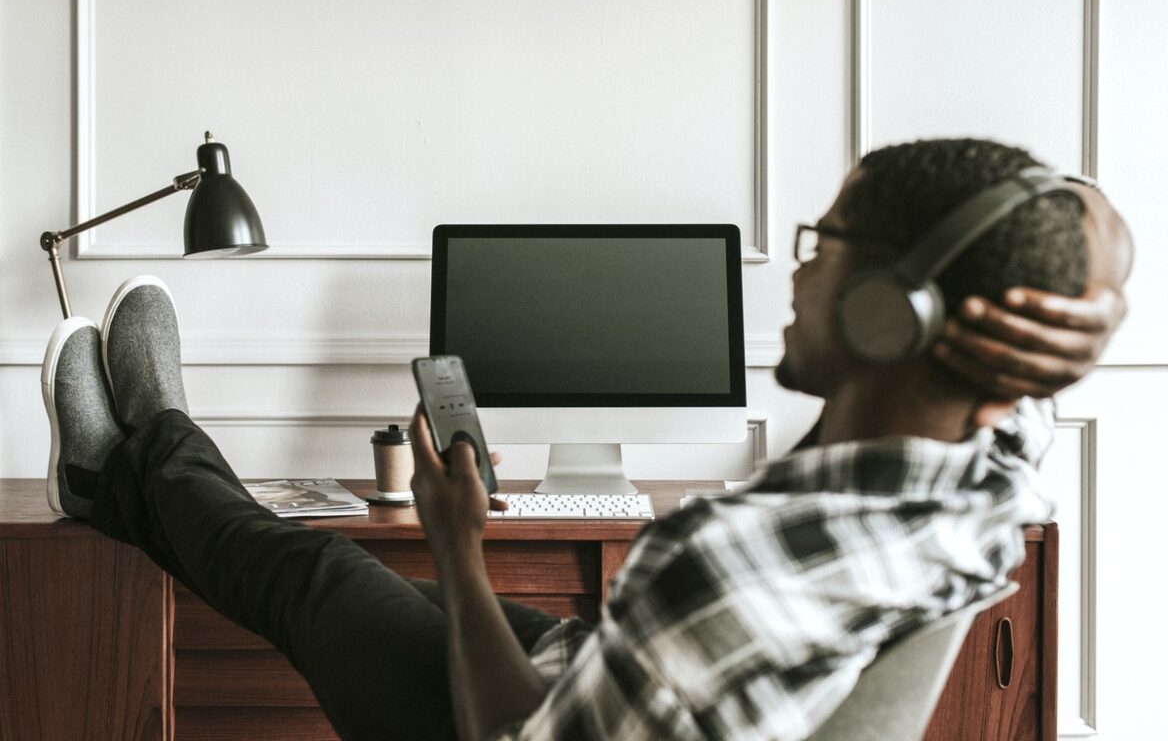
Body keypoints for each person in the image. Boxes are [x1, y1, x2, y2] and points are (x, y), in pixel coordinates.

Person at [40, 138, 1131, 741]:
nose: (795, 271)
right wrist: (1096, 293)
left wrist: (456, 540)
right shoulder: (985, 475)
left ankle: (141, 452)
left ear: (893, 310)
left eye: (822, 243)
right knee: (317, 564)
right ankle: (121, 474)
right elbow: (1085, 238)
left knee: (309, 565)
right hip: (613, 679)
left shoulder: (720, 563)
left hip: (531, 720)